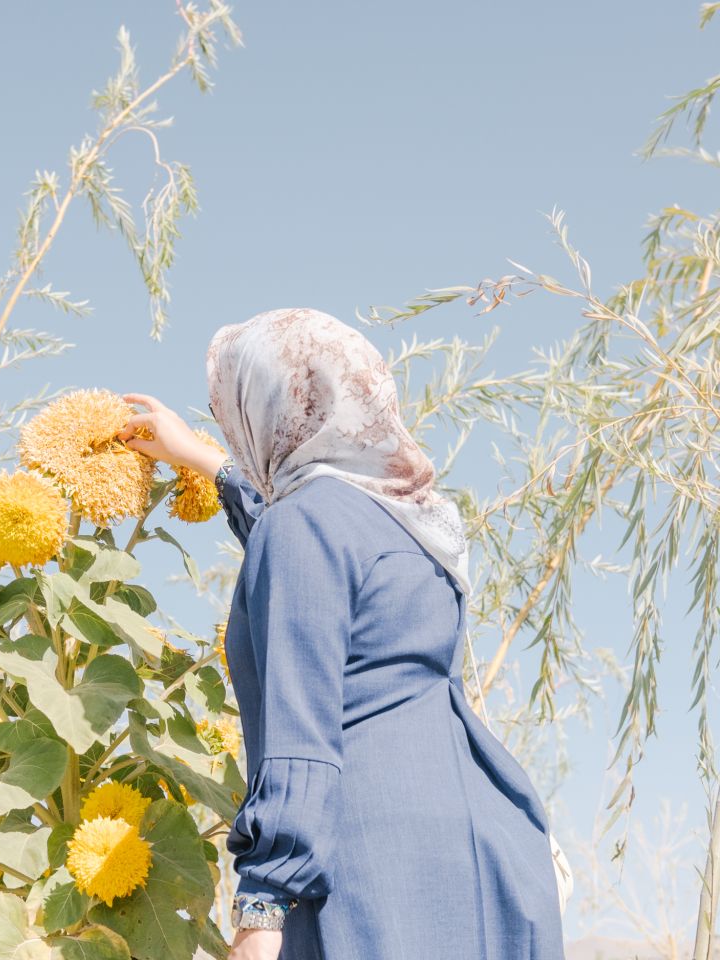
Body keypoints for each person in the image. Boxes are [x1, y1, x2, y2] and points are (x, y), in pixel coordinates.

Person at [117, 307, 566, 960]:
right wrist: (202, 460)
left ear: (267, 411)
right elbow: (300, 546)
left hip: (376, 862)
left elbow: (303, 740)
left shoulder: (303, 526)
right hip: (496, 852)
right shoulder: (411, 528)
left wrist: (261, 911)